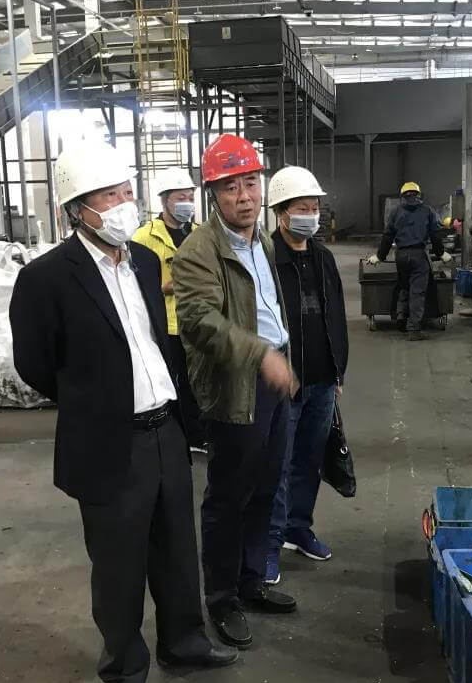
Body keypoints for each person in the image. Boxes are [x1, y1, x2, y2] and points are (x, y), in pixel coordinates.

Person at [9, 140, 236, 683]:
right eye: (110, 195)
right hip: (109, 444)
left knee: (177, 551)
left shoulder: (144, 261)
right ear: (77, 208)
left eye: (127, 191)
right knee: (119, 568)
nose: (124, 203)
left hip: (166, 431)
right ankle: (126, 675)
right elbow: (35, 365)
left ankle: (184, 642)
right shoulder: (46, 278)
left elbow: (156, 339)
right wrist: (95, 401)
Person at [172, 134, 299, 650]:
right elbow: (200, 321)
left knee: (267, 487)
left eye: (251, 183)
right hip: (237, 389)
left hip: (274, 380)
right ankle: (221, 599)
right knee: (228, 497)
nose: (245, 196)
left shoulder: (261, 241)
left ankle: (251, 581)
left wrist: (281, 354)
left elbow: (267, 309)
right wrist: (261, 355)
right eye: (231, 187)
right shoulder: (197, 252)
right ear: (214, 195)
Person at [263, 166, 348, 586]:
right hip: (283, 383)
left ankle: (297, 528)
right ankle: (268, 542)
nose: (311, 215)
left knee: (310, 460)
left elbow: (336, 315)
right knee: (276, 466)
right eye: (302, 208)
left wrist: (338, 371)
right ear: (281, 213)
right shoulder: (265, 259)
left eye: (314, 208)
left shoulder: (323, 257)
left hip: (322, 380)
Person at [132, 167, 206, 450]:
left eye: (190, 197)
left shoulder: (200, 234)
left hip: (199, 321)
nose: (187, 203)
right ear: (164, 201)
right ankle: (179, 435)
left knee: (198, 381)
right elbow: (136, 283)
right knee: (173, 382)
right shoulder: (144, 237)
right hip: (167, 325)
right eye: (180, 198)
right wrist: (169, 286)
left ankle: (198, 435)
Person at [367, 181, 450, 341]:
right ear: (418, 195)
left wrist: (380, 256)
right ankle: (414, 329)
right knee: (417, 292)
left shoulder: (395, 212)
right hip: (418, 255)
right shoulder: (427, 211)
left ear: (402, 196)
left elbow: (387, 236)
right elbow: (435, 234)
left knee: (404, 286)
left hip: (401, 256)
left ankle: (401, 315)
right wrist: (441, 253)